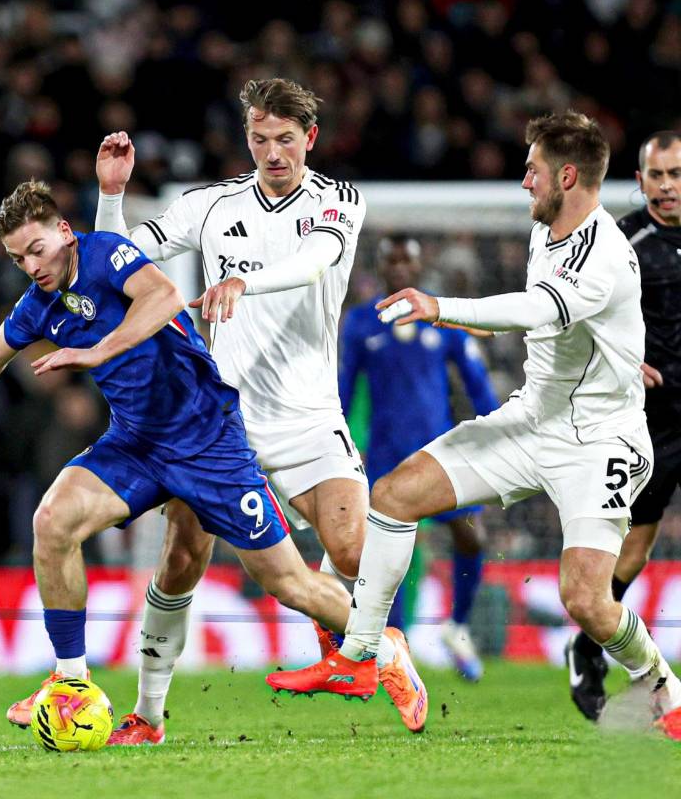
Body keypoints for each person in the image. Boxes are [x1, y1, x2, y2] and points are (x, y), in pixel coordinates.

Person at [0, 180, 377, 740]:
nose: (32, 267)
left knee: (286, 582)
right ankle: (72, 680)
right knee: (53, 520)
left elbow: (163, 297)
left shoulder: (105, 253)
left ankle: (384, 648)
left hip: (207, 441)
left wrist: (98, 350)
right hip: (137, 444)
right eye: (18, 259)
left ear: (64, 232)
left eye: (37, 250)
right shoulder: (40, 302)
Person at [266, 111, 681, 740]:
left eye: (533, 170)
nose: (524, 182)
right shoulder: (547, 231)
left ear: (567, 177)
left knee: (586, 600)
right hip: (531, 421)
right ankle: (359, 655)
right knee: (394, 495)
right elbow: (544, 321)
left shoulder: (604, 252)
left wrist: (440, 307)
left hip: (600, 444)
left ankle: (659, 679)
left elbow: (537, 308)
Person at [95, 77, 427, 743]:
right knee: (181, 560)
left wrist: (243, 281)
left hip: (309, 419)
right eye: (259, 138)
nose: (272, 152)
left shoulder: (338, 200)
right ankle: (149, 715)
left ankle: (370, 650)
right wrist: (111, 196)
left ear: (310, 138)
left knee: (352, 550)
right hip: (222, 425)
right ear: (246, 138)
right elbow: (114, 261)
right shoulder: (209, 205)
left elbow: (314, 263)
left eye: (285, 139)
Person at [339, 234, 498, 680]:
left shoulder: (439, 316)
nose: (399, 268)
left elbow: (475, 378)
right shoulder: (361, 323)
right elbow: (345, 390)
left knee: (472, 538)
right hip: (387, 458)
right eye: (391, 261)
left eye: (406, 260)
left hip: (438, 455)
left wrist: (498, 426)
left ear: (418, 265)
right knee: (393, 557)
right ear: (381, 266)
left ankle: (458, 628)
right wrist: (340, 443)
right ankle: (396, 648)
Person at [566, 130, 681, 721]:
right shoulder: (620, 241)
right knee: (631, 553)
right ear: (639, 181)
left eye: (676, 174)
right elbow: (576, 311)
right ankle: (589, 647)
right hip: (651, 421)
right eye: (656, 175)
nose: (667, 185)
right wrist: (621, 355)